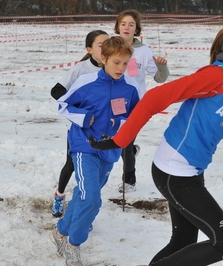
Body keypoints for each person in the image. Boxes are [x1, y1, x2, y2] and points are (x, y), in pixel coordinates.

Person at [89, 10, 223, 266]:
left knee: (183, 242)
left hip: (190, 171)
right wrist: (120, 140)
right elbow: (155, 99)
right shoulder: (217, 76)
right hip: (174, 172)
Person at [50, 36, 141, 266]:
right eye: (116, 63)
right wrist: (84, 117)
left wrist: (120, 130)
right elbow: (62, 105)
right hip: (84, 146)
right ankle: (73, 245)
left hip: (109, 151)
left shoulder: (130, 88)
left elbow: (135, 118)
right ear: (104, 59)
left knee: (84, 196)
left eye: (125, 63)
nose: (121, 68)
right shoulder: (86, 82)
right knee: (91, 198)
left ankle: (60, 231)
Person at [49, 30, 109, 218]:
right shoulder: (80, 69)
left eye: (108, 43)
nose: (106, 48)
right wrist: (80, 112)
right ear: (89, 49)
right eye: (101, 45)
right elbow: (56, 91)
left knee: (96, 167)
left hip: (101, 129)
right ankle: (59, 195)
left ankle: (83, 205)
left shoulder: (111, 68)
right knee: (72, 164)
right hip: (78, 129)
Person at [114, 9, 169, 193]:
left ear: (137, 29)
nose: (126, 27)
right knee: (119, 141)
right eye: (123, 24)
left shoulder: (144, 51)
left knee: (126, 142)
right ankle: (131, 154)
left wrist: (162, 66)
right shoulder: (110, 46)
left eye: (131, 24)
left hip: (136, 104)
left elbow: (159, 78)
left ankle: (129, 180)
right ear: (118, 27)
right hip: (114, 102)